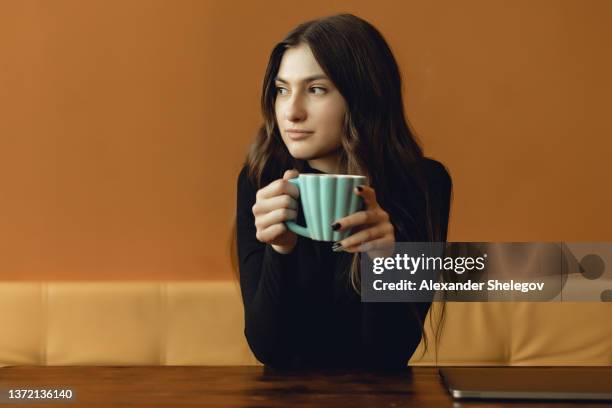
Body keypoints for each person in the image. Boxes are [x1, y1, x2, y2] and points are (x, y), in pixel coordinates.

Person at [233, 13, 452, 370]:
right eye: (282, 89)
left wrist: (384, 263)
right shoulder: (261, 181)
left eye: (316, 89)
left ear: (363, 96)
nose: (291, 111)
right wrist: (280, 250)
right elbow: (269, 349)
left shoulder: (423, 184)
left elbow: (390, 353)